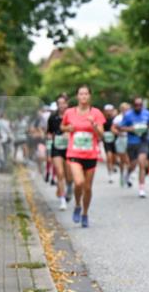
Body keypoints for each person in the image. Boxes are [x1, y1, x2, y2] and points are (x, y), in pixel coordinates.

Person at [61, 85, 106, 228]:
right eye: (81, 94)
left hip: (91, 154)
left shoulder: (96, 113)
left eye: (86, 94)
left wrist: (94, 125)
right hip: (74, 153)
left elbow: (101, 134)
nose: (84, 97)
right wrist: (68, 128)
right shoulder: (69, 112)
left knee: (87, 187)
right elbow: (63, 126)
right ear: (77, 96)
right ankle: (77, 204)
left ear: (90, 96)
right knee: (79, 182)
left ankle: (85, 213)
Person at [118, 96, 149, 197]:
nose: (138, 107)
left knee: (142, 163)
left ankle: (141, 188)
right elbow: (121, 128)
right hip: (132, 142)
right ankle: (128, 174)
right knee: (132, 165)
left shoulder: (147, 113)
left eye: (140, 105)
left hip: (143, 141)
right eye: (136, 105)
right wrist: (131, 129)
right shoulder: (128, 115)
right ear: (133, 105)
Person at [46, 95, 71, 209]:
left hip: (70, 148)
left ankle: (69, 187)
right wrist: (50, 138)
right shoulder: (52, 117)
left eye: (63, 103)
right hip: (56, 147)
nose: (61, 105)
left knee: (69, 176)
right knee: (59, 173)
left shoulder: (72, 115)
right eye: (59, 103)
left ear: (67, 104)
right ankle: (62, 200)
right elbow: (49, 132)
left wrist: (69, 134)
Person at [113, 102, 131, 187]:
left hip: (130, 139)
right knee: (122, 160)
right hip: (121, 139)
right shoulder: (118, 118)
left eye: (127, 109)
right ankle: (121, 175)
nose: (126, 111)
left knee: (128, 159)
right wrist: (117, 133)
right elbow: (113, 128)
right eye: (124, 109)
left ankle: (127, 176)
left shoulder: (131, 117)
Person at [102, 104, 118, 182]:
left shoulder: (115, 119)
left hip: (114, 140)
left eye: (110, 111)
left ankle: (114, 165)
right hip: (106, 140)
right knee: (109, 156)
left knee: (114, 157)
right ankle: (110, 175)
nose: (108, 112)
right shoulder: (102, 120)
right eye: (107, 111)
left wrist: (115, 131)